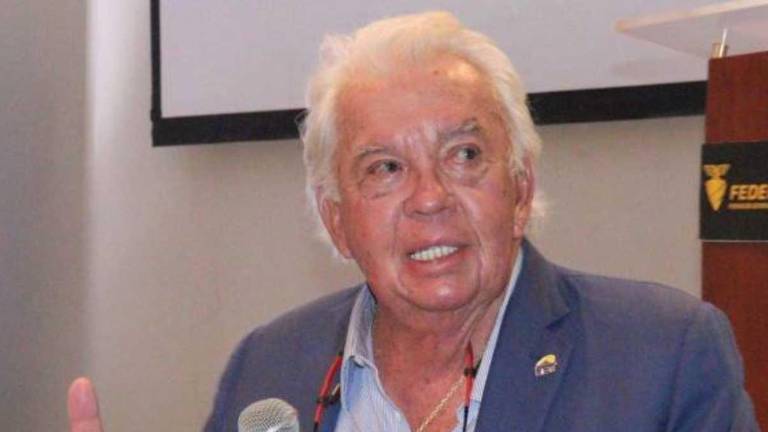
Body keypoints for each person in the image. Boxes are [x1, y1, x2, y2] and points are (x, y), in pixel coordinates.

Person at [69, 11, 758, 432]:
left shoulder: (661, 356)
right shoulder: (267, 368)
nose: (430, 197)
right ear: (336, 222)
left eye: (464, 155)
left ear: (521, 189)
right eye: (385, 168)